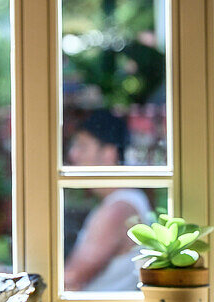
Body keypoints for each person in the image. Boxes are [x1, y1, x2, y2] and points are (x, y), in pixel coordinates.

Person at [64, 110, 154, 292]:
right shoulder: (125, 201)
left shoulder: (118, 210)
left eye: (82, 146)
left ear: (108, 154)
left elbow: (70, 280)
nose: (73, 154)